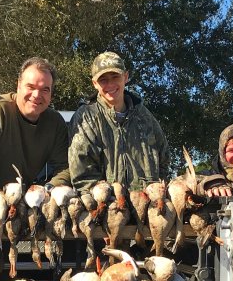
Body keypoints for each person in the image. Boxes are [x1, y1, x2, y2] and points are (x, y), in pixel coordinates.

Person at [0, 57, 71, 189]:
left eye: (45, 90)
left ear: (51, 93)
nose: (36, 95)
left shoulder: (55, 123)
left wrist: (47, 189)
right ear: (18, 85)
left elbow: (66, 167)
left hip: (26, 200)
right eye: (30, 87)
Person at [68, 51, 169, 191]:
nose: (110, 84)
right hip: (107, 206)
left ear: (125, 77)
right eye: (103, 79)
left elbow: (163, 159)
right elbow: (82, 176)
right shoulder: (86, 117)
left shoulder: (145, 118)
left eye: (115, 76)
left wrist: (154, 194)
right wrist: (108, 197)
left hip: (147, 204)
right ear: (94, 83)